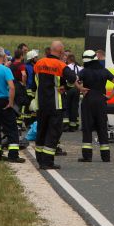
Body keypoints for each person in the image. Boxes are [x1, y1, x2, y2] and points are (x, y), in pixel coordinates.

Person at [33, 41, 78, 170]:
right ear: (60, 52)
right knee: (53, 133)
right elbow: (73, 78)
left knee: (41, 131)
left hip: (40, 104)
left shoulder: (39, 63)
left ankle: (40, 159)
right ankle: (47, 162)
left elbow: (34, 83)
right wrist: (65, 87)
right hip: (55, 104)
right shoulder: (60, 65)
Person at [76, 50, 114, 162]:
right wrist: (110, 96)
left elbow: (74, 80)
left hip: (88, 100)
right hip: (101, 100)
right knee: (102, 127)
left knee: (87, 128)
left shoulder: (84, 71)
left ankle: (87, 156)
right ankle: (105, 156)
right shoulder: (104, 71)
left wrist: (80, 88)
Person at [64, 54, 82, 132]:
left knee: (67, 106)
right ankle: (73, 125)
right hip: (77, 89)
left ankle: (65, 125)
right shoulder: (80, 68)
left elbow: (64, 79)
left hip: (68, 89)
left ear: (68, 60)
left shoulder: (67, 67)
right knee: (74, 107)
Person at [24, 50, 39, 126]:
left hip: (35, 90)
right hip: (28, 90)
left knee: (34, 107)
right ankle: (27, 122)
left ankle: (33, 122)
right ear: (31, 58)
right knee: (28, 107)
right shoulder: (26, 67)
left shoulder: (37, 66)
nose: (37, 58)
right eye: (36, 57)